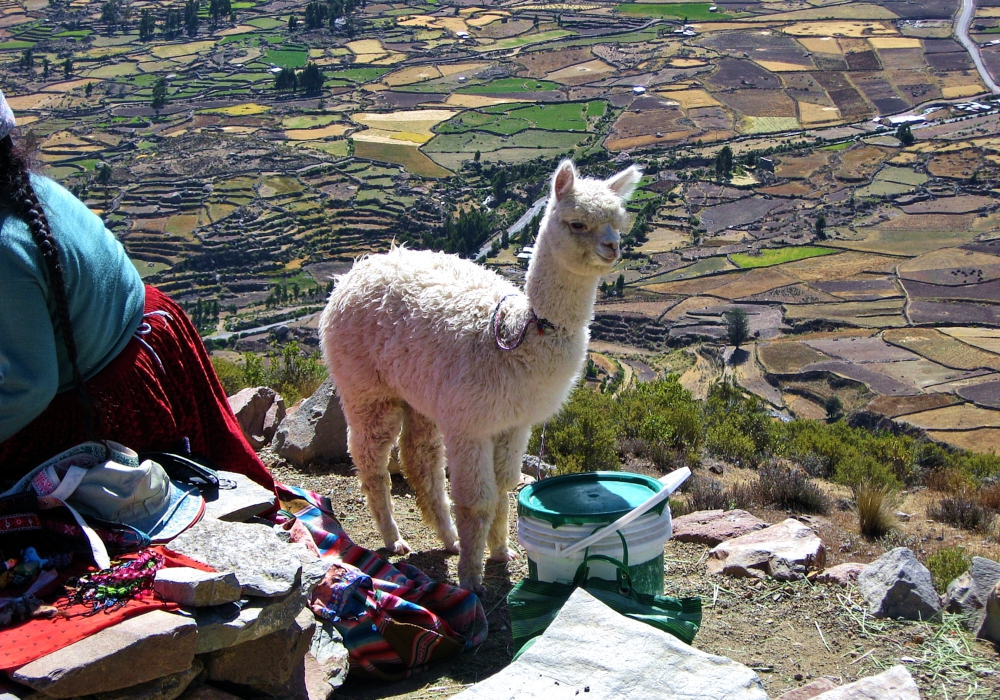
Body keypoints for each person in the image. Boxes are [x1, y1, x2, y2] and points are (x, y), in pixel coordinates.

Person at [0, 90, 274, 493]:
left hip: (115, 392)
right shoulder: (29, 191)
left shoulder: (6, 247)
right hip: (151, 336)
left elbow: (30, 386)